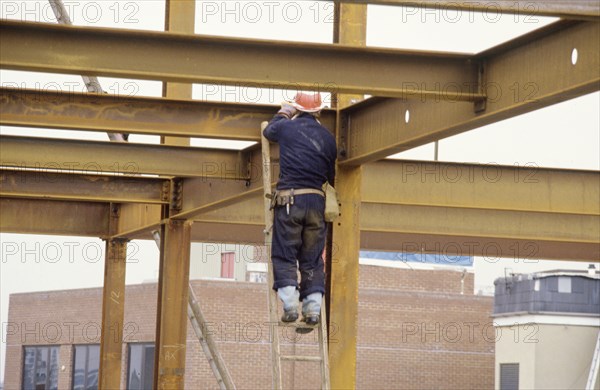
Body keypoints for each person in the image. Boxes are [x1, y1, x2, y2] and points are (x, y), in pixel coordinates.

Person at [263, 92, 337, 329]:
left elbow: (269, 131)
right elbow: (331, 177)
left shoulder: (287, 128)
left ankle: (291, 307)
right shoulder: (329, 138)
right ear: (319, 111)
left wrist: (284, 111)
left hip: (289, 202)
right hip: (316, 202)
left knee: (285, 254)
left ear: (297, 109)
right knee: (313, 259)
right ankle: (313, 311)